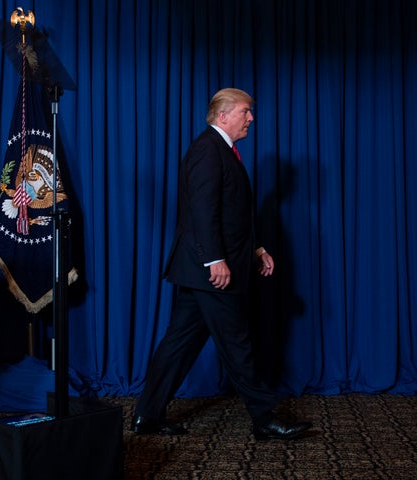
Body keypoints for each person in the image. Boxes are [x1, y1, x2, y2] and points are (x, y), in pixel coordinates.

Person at [131, 88, 312, 440]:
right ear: (223, 115)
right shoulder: (207, 150)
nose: (251, 118)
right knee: (237, 342)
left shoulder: (224, 152)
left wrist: (257, 249)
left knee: (178, 345)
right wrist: (215, 260)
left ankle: (147, 416)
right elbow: (202, 211)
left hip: (203, 268)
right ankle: (264, 419)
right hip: (210, 269)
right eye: (246, 111)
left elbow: (233, 212)